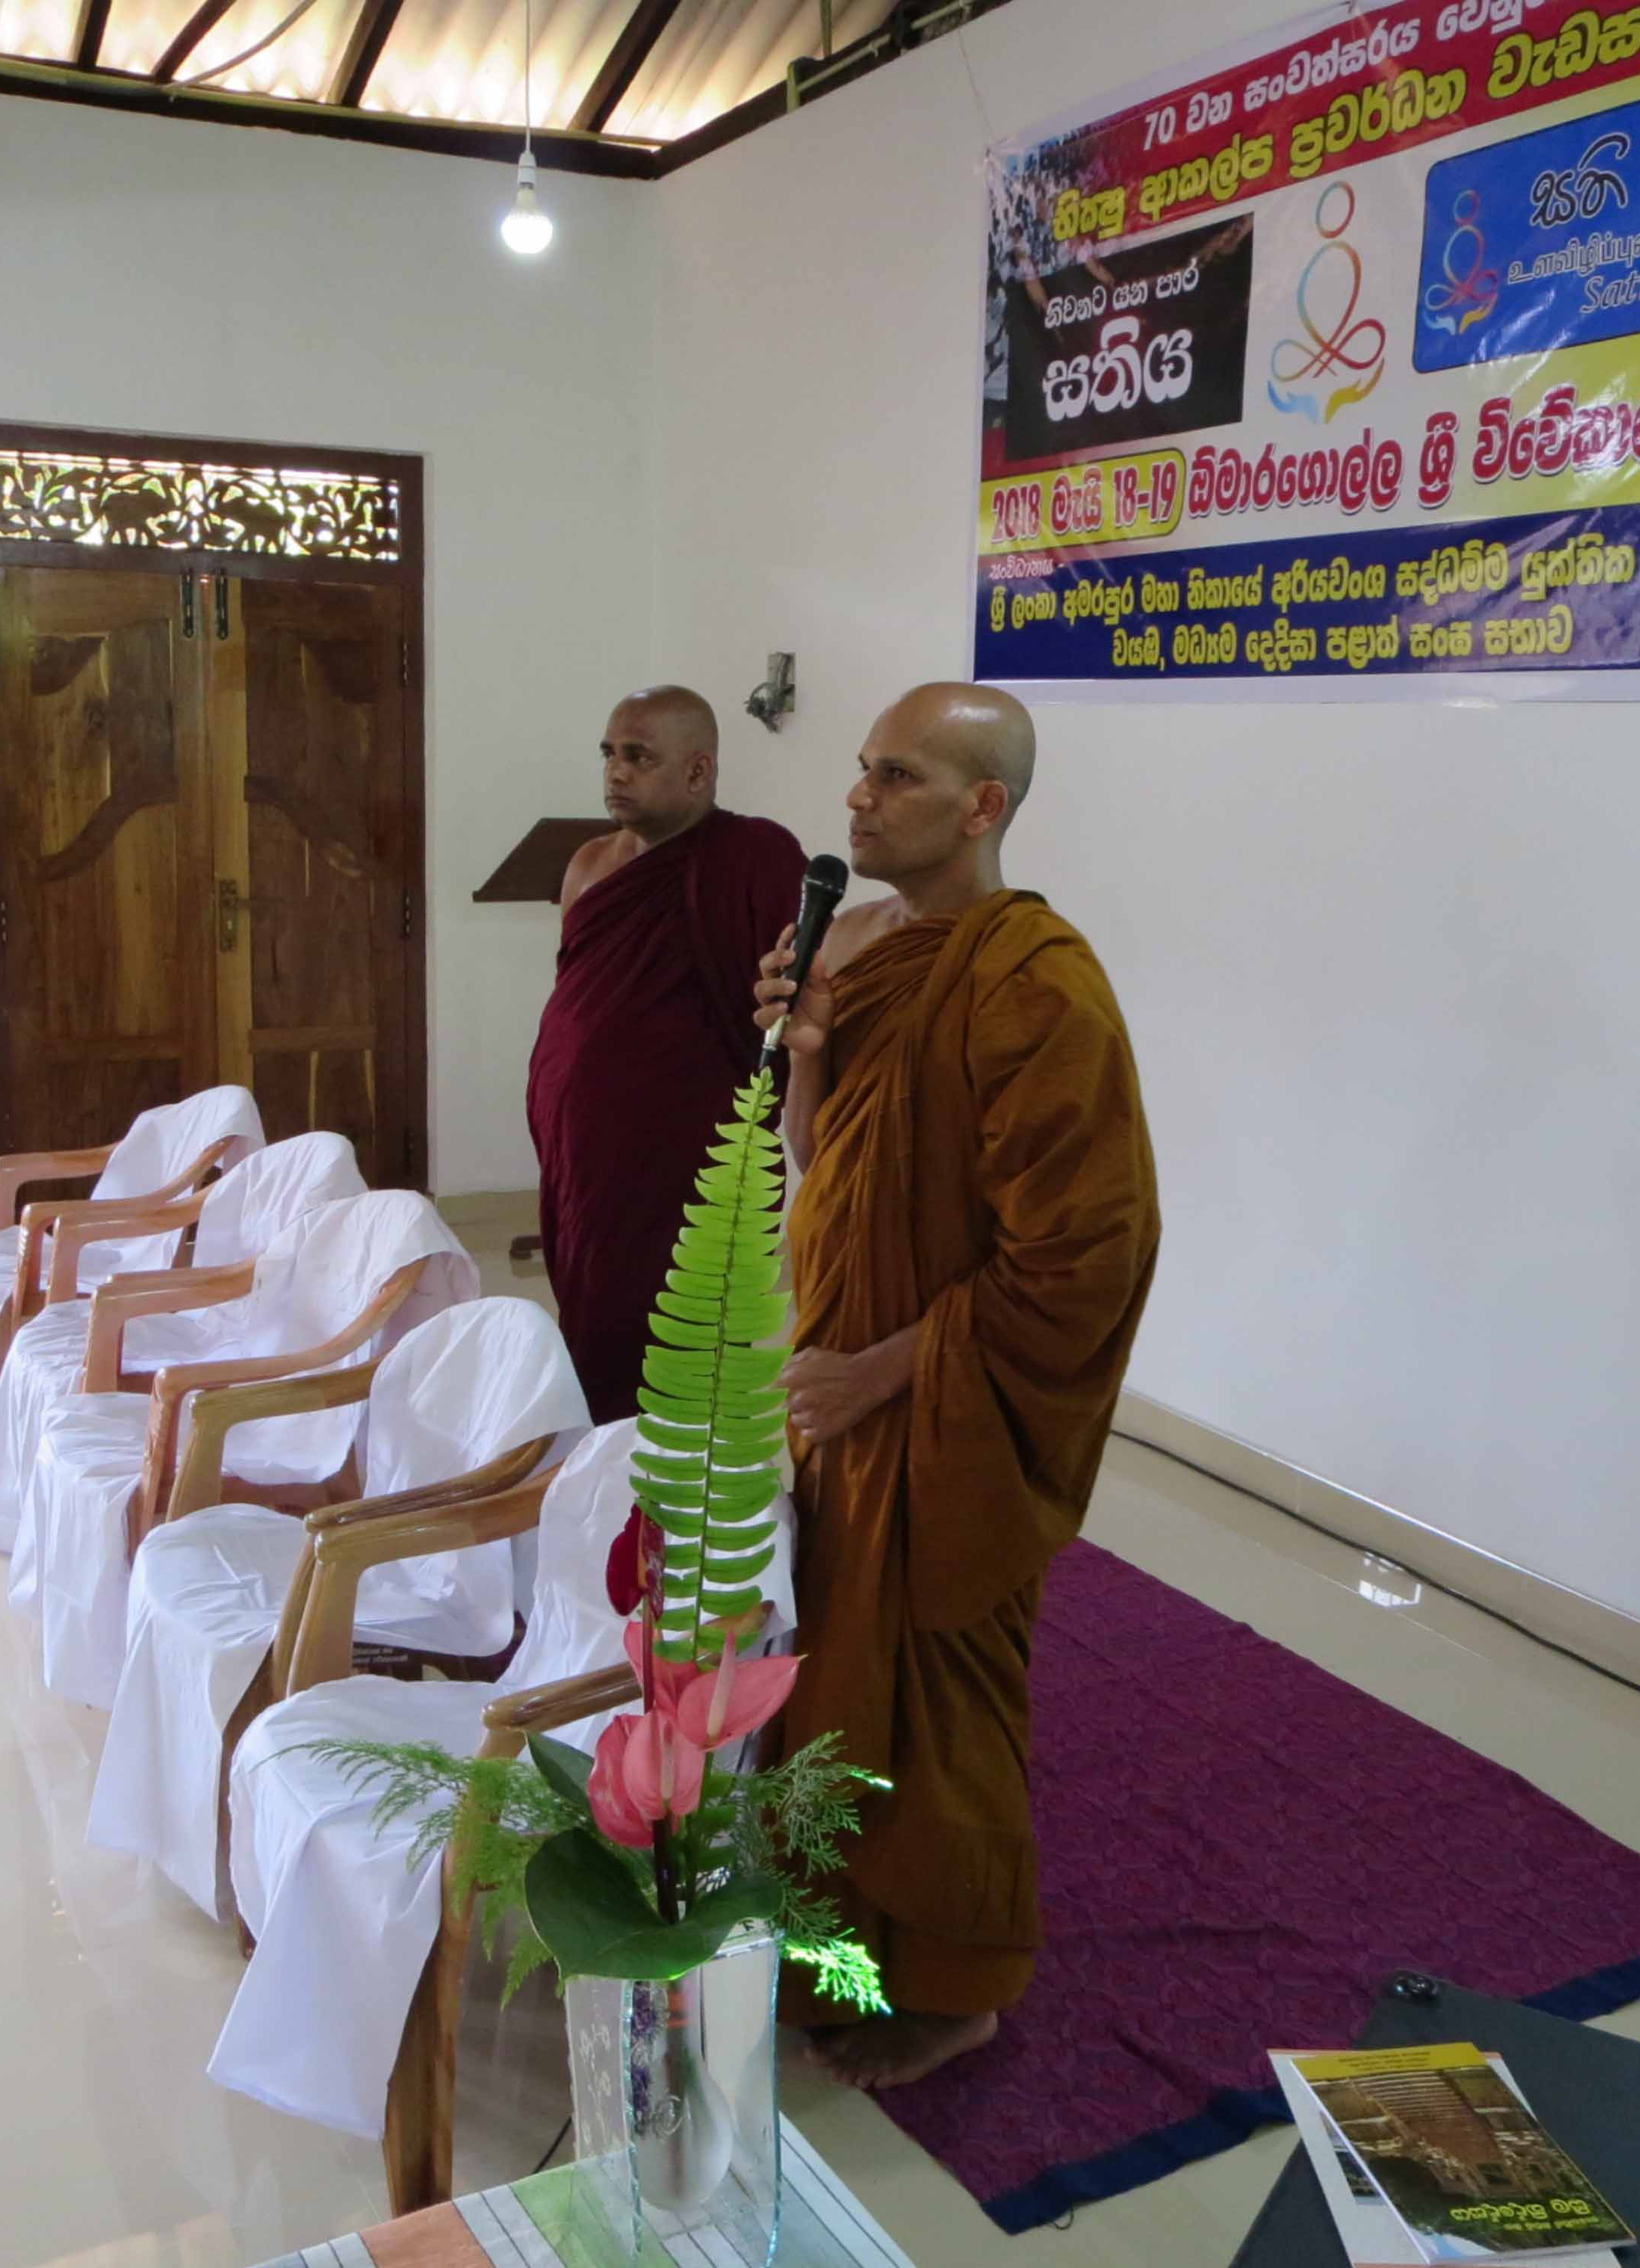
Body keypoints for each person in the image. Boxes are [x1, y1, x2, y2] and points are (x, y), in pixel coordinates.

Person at [753, 682, 1159, 2091]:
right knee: (835, 1669)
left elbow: (1084, 1252)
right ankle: (841, 1943)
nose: (858, 799)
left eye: (898, 778)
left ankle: (956, 1985)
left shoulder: (1036, 983)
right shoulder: (860, 946)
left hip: (937, 1400)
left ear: (983, 807)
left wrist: (880, 1374)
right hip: (838, 1369)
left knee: (939, 1686)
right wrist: (808, 1056)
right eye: (863, 770)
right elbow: (825, 1166)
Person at [527, 686, 807, 1422]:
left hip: (689, 1150)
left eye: (639, 757)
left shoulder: (756, 856)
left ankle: (661, 1471)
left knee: (678, 1331)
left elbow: (790, 1000)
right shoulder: (590, 863)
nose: (616, 772)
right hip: (582, 1146)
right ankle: (597, 1464)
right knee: (591, 1305)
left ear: (698, 771)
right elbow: (579, 990)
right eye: (609, 754)